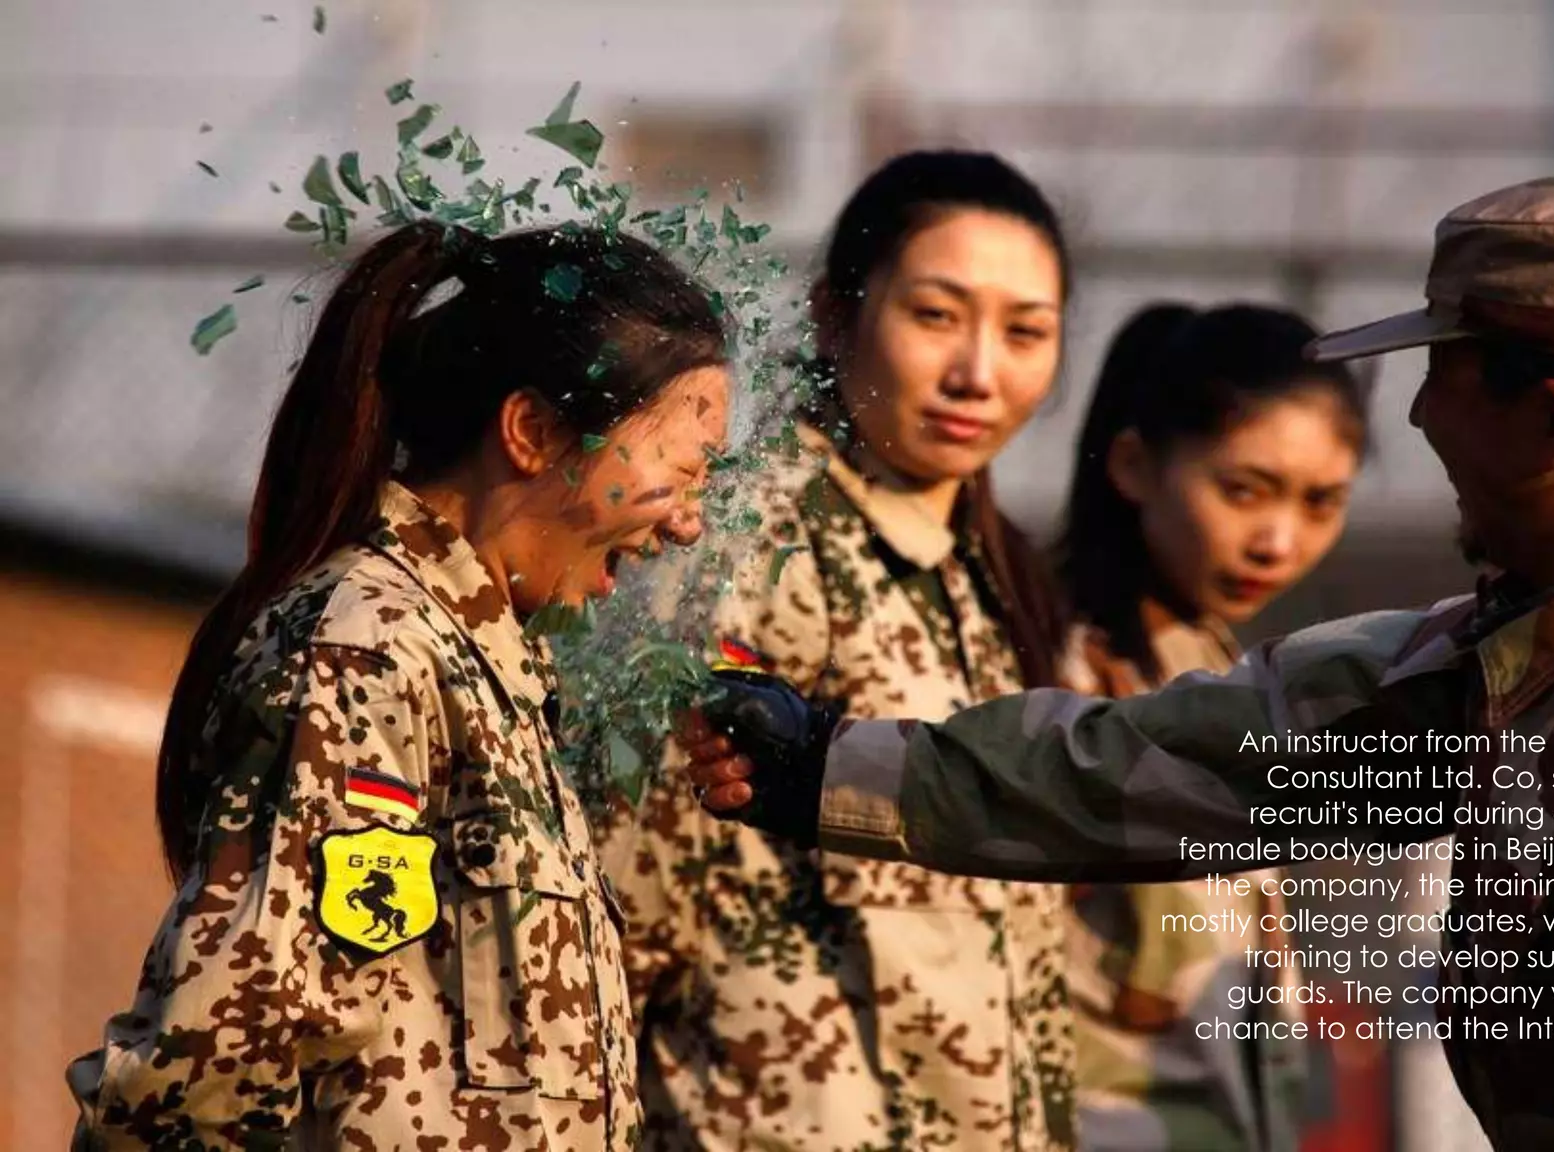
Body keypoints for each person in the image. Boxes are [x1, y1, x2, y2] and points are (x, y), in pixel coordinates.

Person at [683, 175, 1554, 1152]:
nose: (1416, 422)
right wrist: (830, 766)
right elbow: (1196, 755)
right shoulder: (1535, 652)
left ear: (1551, 426)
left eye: (1443, 378)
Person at [67, 220, 732, 1151]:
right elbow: (213, 1061)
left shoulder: (479, 663)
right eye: (682, 467)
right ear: (535, 433)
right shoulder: (367, 649)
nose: (690, 527)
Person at [598, 150, 1077, 1151]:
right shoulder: (746, 542)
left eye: (1025, 332)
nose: (978, 373)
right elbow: (621, 905)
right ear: (833, 314)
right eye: (935, 316)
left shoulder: (982, 567)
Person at [1051, 302, 1370, 1151]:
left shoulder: (1218, 672)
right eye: (1243, 489)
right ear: (1133, 465)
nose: (1278, 539)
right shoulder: (1061, 680)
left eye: (1320, 502)